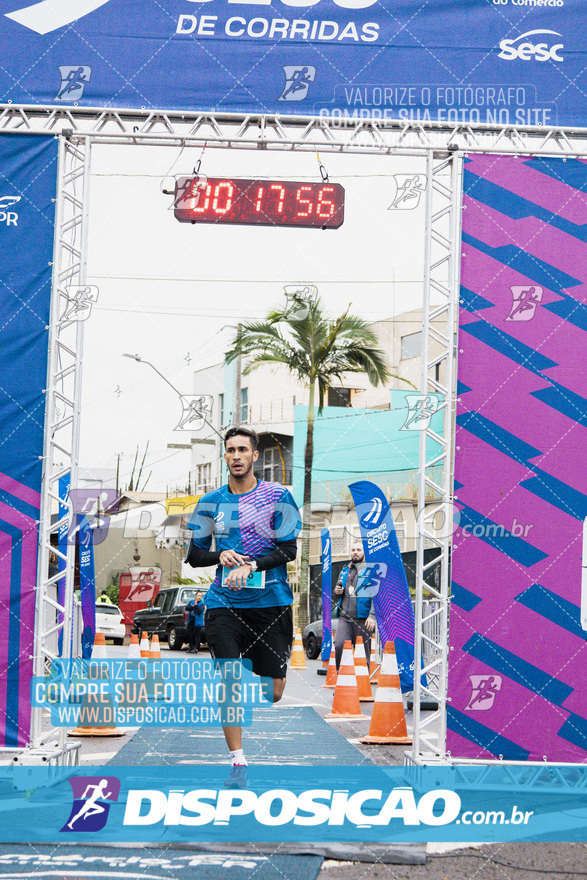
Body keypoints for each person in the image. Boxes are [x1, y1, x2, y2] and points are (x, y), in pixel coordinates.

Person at [185, 426, 301, 786]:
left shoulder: (278, 496)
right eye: (230, 450)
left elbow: (289, 550)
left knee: (275, 691)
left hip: (271, 602)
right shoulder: (211, 501)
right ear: (225, 456)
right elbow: (193, 555)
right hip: (224, 602)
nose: (236, 456)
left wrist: (252, 565)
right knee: (229, 682)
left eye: (242, 450)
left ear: (254, 456)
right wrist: (221, 554)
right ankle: (238, 762)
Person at [333, 540, 376, 671]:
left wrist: (372, 615)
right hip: (344, 618)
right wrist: (336, 591)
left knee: (363, 654)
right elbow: (337, 591)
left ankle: (362, 686)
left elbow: (376, 596)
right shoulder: (345, 570)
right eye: (353, 550)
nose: (355, 553)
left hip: (363, 620)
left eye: (358, 550)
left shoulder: (371, 570)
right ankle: (342, 683)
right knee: (339, 645)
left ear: (364, 553)